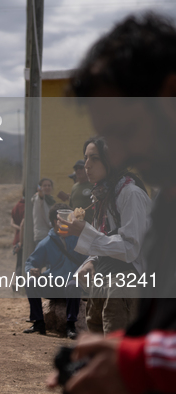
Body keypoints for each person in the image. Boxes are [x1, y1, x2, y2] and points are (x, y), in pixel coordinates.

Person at [46, 12, 176, 394]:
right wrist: (127, 350)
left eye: (126, 131)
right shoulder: (166, 198)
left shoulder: (135, 193)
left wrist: (136, 360)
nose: (120, 153)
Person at [58, 137, 151, 335]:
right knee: (98, 348)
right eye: (85, 158)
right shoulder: (104, 196)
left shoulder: (130, 194)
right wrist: (91, 262)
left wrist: (84, 233)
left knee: (116, 352)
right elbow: (104, 240)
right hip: (103, 280)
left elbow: (130, 248)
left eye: (94, 158)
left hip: (124, 284)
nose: (87, 165)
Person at [22, 203, 87, 339]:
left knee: (73, 285)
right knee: (31, 282)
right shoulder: (46, 243)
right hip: (54, 284)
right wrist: (32, 270)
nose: (69, 221)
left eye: (69, 218)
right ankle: (39, 322)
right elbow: (31, 262)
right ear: (54, 222)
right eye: (64, 218)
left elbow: (89, 260)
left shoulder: (79, 239)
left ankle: (71, 326)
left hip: (72, 285)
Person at [32, 178, 55, 244]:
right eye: (44, 186)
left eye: (49, 185)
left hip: (50, 235)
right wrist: (40, 193)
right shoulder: (39, 199)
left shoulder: (50, 200)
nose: (47, 187)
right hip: (41, 236)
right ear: (40, 188)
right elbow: (40, 197)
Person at [11, 190, 25, 280]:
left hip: (17, 237)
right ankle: (21, 284)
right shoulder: (26, 207)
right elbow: (22, 224)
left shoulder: (16, 206)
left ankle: (18, 282)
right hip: (23, 238)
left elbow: (11, 223)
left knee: (19, 263)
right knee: (23, 263)